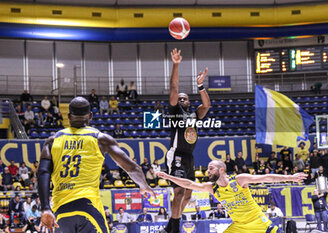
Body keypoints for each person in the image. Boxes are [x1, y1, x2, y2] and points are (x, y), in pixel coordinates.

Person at [38, 96, 154, 233]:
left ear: (68, 116)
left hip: (61, 209)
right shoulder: (100, 139)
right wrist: (143, 185)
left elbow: (42, 173)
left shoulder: (53, 141)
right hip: (88, 206)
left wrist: (45, 208)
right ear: (90, 116)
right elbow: (132, 167)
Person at [157, 160, 307, 233]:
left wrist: (292, 178)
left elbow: (267, 178)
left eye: (211, 168)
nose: (207, 171)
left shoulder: (239, 180)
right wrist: (168, 177)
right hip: (239, 226)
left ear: (222, 170)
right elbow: (188, 184)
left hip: (257, 221)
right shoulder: (212, 188)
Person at [163, 48, 210, 233]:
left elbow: (206, 105)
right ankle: (175, 229)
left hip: (189, 157)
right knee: (180, 191)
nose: (181, 99)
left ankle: (169, 227)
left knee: (189, 194)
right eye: (179, 98)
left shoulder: (194, 114)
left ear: (189, 101)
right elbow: (174, 88)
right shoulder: (175, 112)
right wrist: (176, 64)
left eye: (184, 98)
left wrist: (200, 86)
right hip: (176, 155)